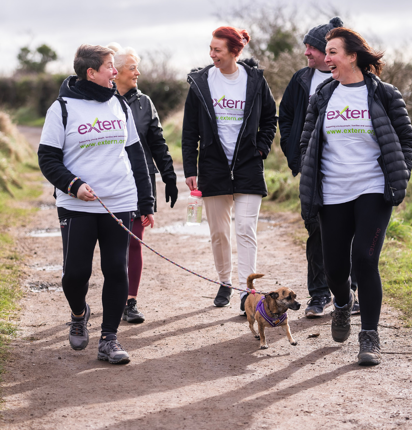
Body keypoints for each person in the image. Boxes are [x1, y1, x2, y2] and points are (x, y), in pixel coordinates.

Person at [300, 27, 412, 365]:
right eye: (327, 52)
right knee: (335, 270)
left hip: (373, 188)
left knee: (364, 260)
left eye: (333, 51)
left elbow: (406, 140)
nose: (327, 57)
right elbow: (309, 141)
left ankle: (369, 337)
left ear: (352, 56)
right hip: (333, 191)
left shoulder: (384, 94)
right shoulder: (323, 95)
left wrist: (398, 175)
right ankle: (340, 303)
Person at [38, 44, 155, 365]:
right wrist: (74, 185)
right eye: (109, 67)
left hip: (119, 200)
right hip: (77, 205)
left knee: (117, 269)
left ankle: (109, 338)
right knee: (75, 274)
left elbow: (135, 155)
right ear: (91, 73)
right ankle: (79, 313)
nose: (115, 72)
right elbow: (47, 158)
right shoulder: (61, 109)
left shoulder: (119, 103)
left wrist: (146, 202)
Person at [182, 26, 277, 313]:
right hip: (212, 167)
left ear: (235, 51)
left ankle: (247, 292)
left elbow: (270, 117)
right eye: (210, 49)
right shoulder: (201, 83)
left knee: (246, 229)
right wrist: (190, 168)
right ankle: (225, 281)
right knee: (219, 233)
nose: (212, 55)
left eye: (217, 50)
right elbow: (189, 131)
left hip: (248, 165)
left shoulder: (255, 80)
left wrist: (260, 148)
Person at [279, 17, 360, 318]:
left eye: (311, 48)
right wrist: (294, 153)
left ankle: (351, 294)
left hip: (349, 172)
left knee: (352, 235)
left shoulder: (356, 80)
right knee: (316, 233)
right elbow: (285, 115)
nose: (307, 54)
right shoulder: (302, 79)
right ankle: (318, 295)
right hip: (314, 173)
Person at [108, 42, 178, 323]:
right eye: (132, 67)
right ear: (116, 72)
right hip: (108, 183)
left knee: (133, 244)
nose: (138, 72)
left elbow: (157, 143)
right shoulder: (100, 101)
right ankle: (107, 297)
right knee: (111, 246)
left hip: (139, 182)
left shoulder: (144, 103)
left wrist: (169, 176)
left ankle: (130, 301)